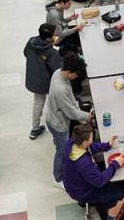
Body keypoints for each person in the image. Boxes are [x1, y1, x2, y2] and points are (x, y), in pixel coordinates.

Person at [61, 124, 124, 220]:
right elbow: (99, 181)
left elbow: (90, 147)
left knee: (108, 174)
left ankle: (85, 203)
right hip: (83, 191)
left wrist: (107, 145)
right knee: (121, 193)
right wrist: (116, 163)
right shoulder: (83, 163)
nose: (93, 137)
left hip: (75, 183)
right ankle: (110, 218)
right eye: (91, 137)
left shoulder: (73, 142)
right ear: (84, 142)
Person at [44, 53, 92, 183]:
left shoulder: (58, 73)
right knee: (62, 151)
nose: (76, 77)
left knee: (60, 145)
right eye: (75, 74)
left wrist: (78, 109)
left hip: (53, 116)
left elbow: (70, 98)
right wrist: (87, 116)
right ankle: (58, 178)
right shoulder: (61, 88)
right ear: (70, 71)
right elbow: (71, 113)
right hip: (58, 124)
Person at [24, 23, 61, 140]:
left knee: (38, 102)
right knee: (55, 102)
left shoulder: (31, 42)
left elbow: (25, 53)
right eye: (55, 34)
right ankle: (58, 125)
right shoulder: (51, 52)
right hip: (46, 82)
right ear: (50, 38)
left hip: (33, 78)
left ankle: (34, 129)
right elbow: (57, 70)